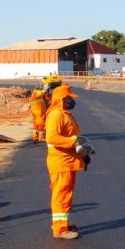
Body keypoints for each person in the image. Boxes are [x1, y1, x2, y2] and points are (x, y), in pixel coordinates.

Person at [45, 84, 88, 240]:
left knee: (66, 194)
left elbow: (71, 135)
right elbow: (52, 137)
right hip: (61, 162)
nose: (71, 100)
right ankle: (60, 229)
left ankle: (63, 223)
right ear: (61, 99)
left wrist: (81, 146)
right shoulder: (56, 115)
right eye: (69, 98)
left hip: (68, 161)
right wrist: (73, 142)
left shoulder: (64, 114)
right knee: (61, 194)